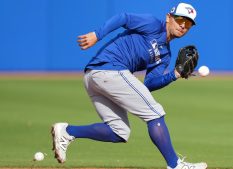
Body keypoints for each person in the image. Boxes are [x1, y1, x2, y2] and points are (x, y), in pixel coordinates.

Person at [51, 2, 207, 169]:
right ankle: (175, 165)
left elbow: (149, 84)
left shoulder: (165, 55)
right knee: (154, 112)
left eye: (188, 23)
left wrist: (174, 75)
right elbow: (123, 18)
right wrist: (97, 34)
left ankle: (68, 132)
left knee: (119, 132)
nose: (183, 26)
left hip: (98, 76)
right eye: (180, 20)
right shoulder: (153, 25)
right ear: (169, 17)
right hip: (108, 69)